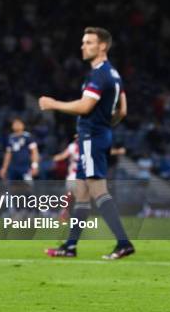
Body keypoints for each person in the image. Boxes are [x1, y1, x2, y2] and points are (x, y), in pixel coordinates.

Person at [39, 26, 134, 260]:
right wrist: (101, 126)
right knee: (81, 195)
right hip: (94, 135)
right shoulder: (114, 74)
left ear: (102, 46)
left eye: (89, 42)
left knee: (98, 191)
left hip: (93, 137)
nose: (83, 46)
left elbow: (85, 106)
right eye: (83, 42)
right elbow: (122, 110)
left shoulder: (99, 74)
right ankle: (70, 247)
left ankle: (123, 243)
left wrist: (53, 104)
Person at [52, 135, 80, 221]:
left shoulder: (89, 146)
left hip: (83, 175)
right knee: (69, 194)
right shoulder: (73, 146)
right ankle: (64, 213)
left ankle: (75, 213)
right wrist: (55, 158)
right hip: (74, 174)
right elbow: (63, 156)